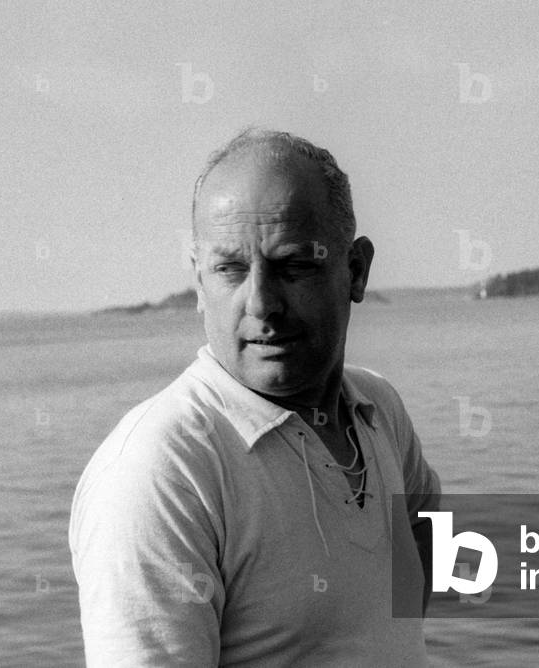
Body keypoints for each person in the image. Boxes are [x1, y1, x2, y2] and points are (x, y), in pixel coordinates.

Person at [68, 129, 440, 666]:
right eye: (231, 269)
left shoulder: (379, 409)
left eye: (293, 266)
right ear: (199, 280)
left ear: (355, 271)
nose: (262, 303)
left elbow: (427, 561)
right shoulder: (161, 472)